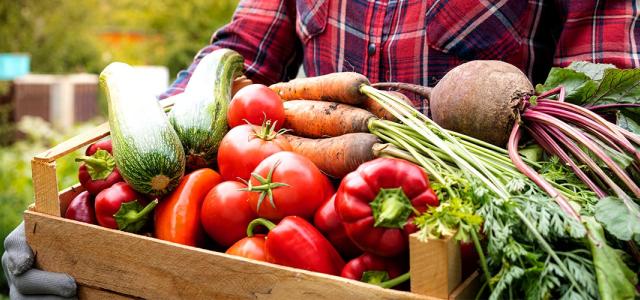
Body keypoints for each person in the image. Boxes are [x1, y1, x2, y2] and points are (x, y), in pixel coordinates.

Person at [3, 0, 639, 298]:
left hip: (456, 233)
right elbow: (236, 58)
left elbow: (597, 112)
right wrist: (80, 222)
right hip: (294, 228)